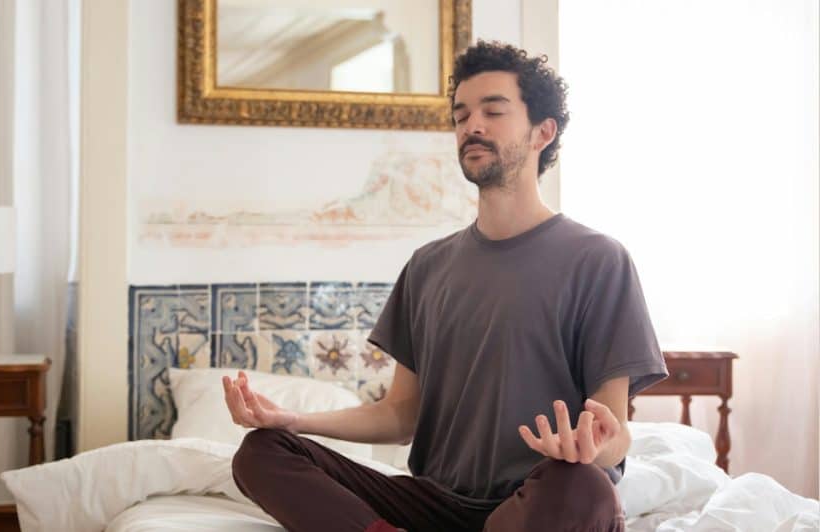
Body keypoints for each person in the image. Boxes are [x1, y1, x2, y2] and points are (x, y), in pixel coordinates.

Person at [222, 39, 668, 532]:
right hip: (432, 503)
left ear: (543, 132)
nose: (471, 126)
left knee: (585, 487)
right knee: (261, 452)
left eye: (493, 111)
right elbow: (399, 415)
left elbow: (616, 429)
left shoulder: (598, 260)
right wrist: (293, 420)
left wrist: (594, 447)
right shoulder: (427, 266)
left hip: (539, 500)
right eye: (460, 116)